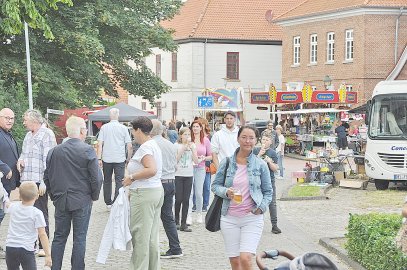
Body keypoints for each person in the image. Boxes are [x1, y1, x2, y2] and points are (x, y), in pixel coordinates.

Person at [44, 116, 103, 270]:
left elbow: (47, 177)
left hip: (61, 199)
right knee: (80, 238)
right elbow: (96, 178)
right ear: (82, 132)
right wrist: (94, 196)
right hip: (82, 200)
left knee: (59, 237)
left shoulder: (54, 151)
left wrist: (54, 196)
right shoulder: (88, 150)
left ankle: (55, 267)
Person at [212, 126, 272, 270]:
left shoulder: (261, 165)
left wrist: (261, 208)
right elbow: (215, 186)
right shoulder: (226, 162)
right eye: (244, 137)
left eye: (251, 138)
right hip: (229, 218)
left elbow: (268, 192)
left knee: (245, 258)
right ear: (238, 139)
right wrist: (227, 192)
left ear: (256, 141)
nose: (247, 141)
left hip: (252, 217)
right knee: (234, 261)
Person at [122, 116, 164, 270]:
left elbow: (151, 169)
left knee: (140, 237)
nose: (132, 134)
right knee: (151, 237)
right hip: (154, 191)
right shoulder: (152, 144)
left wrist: (131, 178)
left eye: (133, 130)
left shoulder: (146, 147)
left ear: (138, 130)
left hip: (144, 194)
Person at [17, 109, 57, 257]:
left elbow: (49, 159)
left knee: (40, 212)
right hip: (26, 179)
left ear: (34, 120)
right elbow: (24, 153)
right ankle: (30, 243)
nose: (23, 123)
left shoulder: (47, 134)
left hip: (39, 180)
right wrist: (20, 160)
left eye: (25, 120)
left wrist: (45, 181)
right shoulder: (28, 135)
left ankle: (42, 245)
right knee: (27, 213)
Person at [151, 120, 183, 259]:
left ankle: (151, 249)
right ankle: (175, 247)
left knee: (151, 217)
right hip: (171, 181)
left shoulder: (151, 145)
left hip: (158, 182)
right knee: (168, 217)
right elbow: (175, 165)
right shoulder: (170, 144)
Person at [5, 181, 52, 269]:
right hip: (26, 249)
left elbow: (7, 204)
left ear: (19, 196)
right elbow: (42, 234)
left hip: (10, 247)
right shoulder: (37, 213)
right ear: (37, 196)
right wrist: (48, 255)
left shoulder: (14, 207)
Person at [97, 108, 133, 209]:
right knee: (119, 181)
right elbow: (129, 146)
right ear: (118, 115)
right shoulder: (123, 128)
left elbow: (100, 144)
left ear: (110, 116)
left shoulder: (104, 127)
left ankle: (108, 202)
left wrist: (99, 158)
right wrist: (128, 159)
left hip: (106, 158)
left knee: (107, 180)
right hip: (120, 158)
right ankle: (117, 201)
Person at [253, 135, 281, 234]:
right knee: (256, 202)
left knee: (272, 202)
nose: (265, 141)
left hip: (269, 180)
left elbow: (275, 168)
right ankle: (255, 224)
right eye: (263, 139)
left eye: (267, 139)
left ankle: (274, 225)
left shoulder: (273, 153)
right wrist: (259, 155)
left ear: (271, 142)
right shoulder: (255, 150)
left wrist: (269, 162)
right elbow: (251, 164)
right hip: (257, 180)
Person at [175, 127, 198, 231]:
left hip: (189, 174)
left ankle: (184, 223)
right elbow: (175, 160)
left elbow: (196, 161)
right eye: (185, 134)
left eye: (188, 134)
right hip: (178, 174)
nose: (187, 137)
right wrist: (183, 149)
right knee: (178, 199)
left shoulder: (193, 145)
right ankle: (176, 221)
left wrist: (192, 150)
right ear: (180, 135)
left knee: (186, 200)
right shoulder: (176, 145)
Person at [0, 108, 20, 226]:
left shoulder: (8, 134)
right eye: (7, 118)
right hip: (1, 181)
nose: (10, 121)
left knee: (2, 213)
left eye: (12, 118)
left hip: (7, 182)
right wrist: (4, 167)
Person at [190, 120, 212, 223]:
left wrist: (204, 158)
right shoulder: (189, 140)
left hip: (200, 168)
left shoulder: (205, 140)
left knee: (198, 192)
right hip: (189, 168)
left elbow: (211, 156)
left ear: (200, 128)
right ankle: (188, 214)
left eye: (197, 126)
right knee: (189, 192)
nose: (195, 128)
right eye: (193, 126)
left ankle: (199, 213)